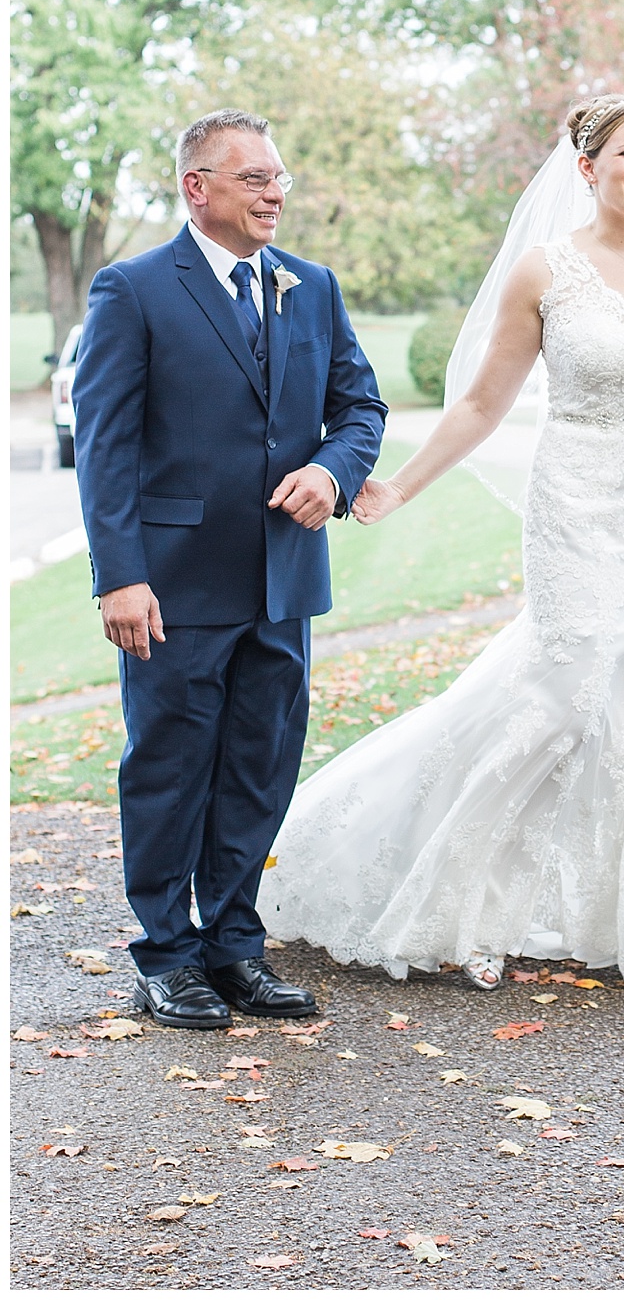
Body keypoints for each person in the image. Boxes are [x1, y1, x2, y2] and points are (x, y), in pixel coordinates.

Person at [262, 94, 624, 996]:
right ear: (587, 168)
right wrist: (401, 484)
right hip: (577, 503)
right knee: (563, 696)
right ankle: (464, 909)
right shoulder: (545, 271)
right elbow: (485, 402)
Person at [72, 110, 387, 1029]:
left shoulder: (311, 287)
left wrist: (333, 470)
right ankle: (165, 955)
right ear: (196, 188)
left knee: (261, 765)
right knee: (169, 768)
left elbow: (358, 404)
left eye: (280, 176)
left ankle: (234, 947)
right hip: (169, 583)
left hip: (282, 579)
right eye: (253, 178)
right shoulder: (132, 289)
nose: (275, 192)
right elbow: (105, 447)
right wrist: (118, 574)